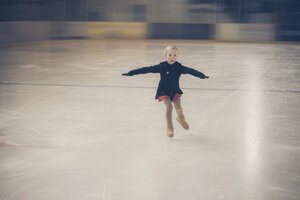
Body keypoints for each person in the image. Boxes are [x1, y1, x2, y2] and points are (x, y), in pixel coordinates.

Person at [122, 46, 209, 139]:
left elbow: (191, 71)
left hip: (175, 90)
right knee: (169, 106)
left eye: (175, 55)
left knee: (178, 106)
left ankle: (181, 118)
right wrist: (131, 72)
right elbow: (146, 69)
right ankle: (169, 127)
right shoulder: (162, 66)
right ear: (165, 56)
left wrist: (201, 75)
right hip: (163, 90)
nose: (172, 57)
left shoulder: (179, 67)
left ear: (177, 56)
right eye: (170, 55)